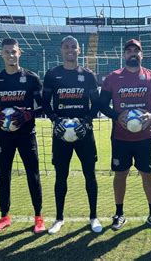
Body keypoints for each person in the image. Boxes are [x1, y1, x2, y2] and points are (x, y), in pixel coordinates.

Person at [100, 39, 151, 230]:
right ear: (124, 55)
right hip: (120, 138)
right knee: (120, 174)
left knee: (147, 175)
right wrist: (117, 116)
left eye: (136, 51)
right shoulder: (112, 78)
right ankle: (119, 213)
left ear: (142, 55)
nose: (133, 53)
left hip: (145, 137)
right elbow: (101, 105)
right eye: (129, 50)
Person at [0, 38, 45, 234]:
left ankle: (38, 217)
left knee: (33, 175)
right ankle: (4, 217)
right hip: (4, 135)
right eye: (7, 52)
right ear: (1, 54)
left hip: (27, 134)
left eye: (14, 51)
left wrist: (28, 114)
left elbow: (43, 106)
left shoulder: (31, 78)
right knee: (3, 175)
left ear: (20, 53)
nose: (11, 55)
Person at [42, 36, 102, 234]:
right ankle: (59, 218)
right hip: (61, 134)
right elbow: (44, 104)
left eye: (73, 47)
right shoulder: (52, 75)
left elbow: (97, 104)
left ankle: (93, 217)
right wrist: (55, 120)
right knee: (61, 176)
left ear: (79, 50)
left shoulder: (88, 75)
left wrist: (85, 122)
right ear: (61, 50)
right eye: (66, 47)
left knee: (89, 175)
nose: (70, 50)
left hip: (84, 133)